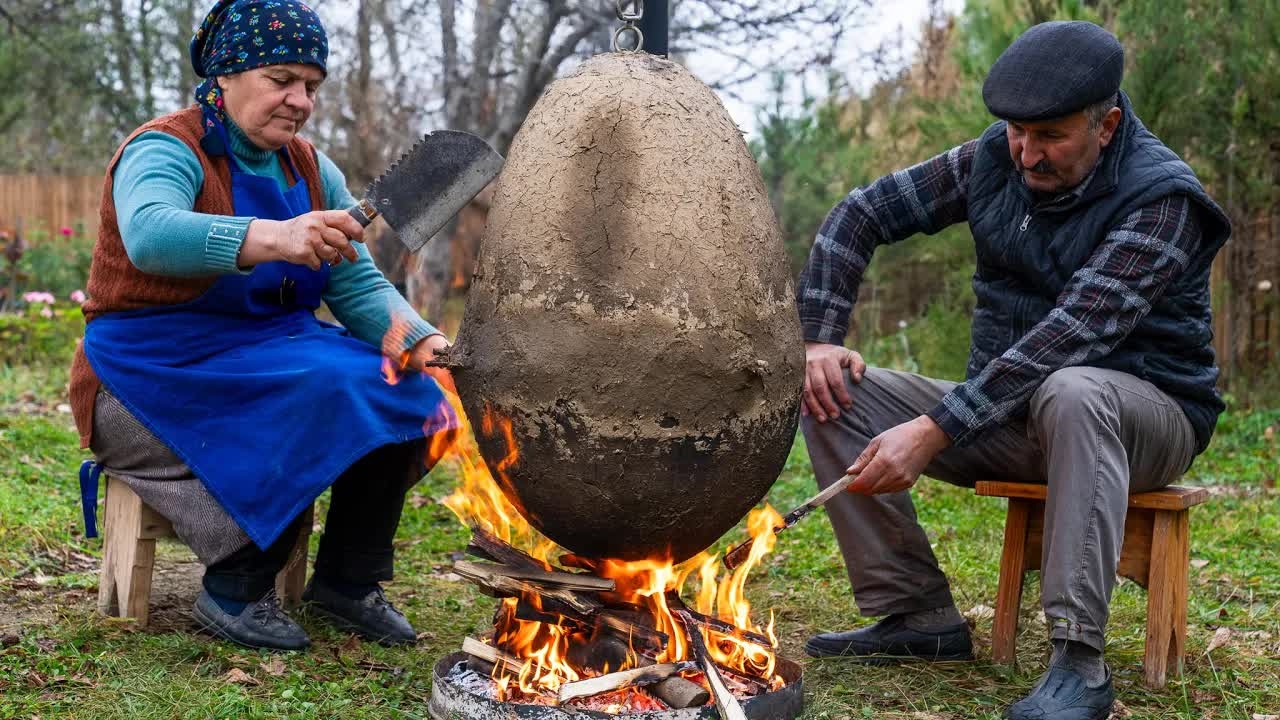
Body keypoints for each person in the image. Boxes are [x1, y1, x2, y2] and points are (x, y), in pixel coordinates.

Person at [795, 21, 1229, 720]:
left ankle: (1079, 666)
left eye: (1050, 136)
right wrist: (818, 342)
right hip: (1012, 412)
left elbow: (1074, 336)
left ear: (1107, 124)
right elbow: (860, 213)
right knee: (834, 392)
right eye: (1017, 132)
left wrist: (935, 428)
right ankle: (917, 616)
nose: (1026, 153)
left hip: (1146, 415)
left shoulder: (1163, 200)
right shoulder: (993, 158)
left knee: (1074, 389)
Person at [70, 0, 458, 652]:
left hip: (266, 355)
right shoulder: (166, 148)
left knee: (406, 388)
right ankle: (235, 587)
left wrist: (427, 344)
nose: (300, 100)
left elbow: (356, 281)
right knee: (315, 390)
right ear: (226, 74)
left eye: (311, 85)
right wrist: (273, 236)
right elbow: (150, 234)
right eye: (281, 79)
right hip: (147, 372)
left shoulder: (310, 169)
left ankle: (347, 580)